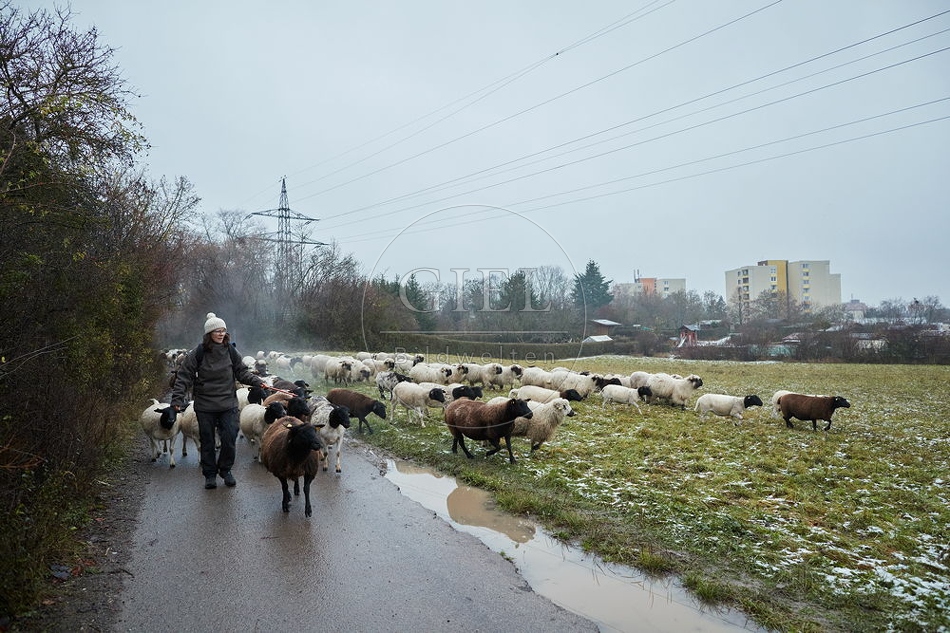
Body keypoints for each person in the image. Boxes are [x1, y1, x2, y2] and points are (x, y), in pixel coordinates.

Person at [170, 312, 266, 489]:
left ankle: (225, 469)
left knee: (229, 437)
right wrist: (177, 399)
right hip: (205, 405)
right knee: (207, 441)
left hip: (227, 403)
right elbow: (184, 376)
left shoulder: (230, 351)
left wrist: (258, 382)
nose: (221, 334)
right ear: (209, 334)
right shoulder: (198, 353)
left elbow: (242, 372)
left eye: (223, 331)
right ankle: (210, 474)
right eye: (217, 331)